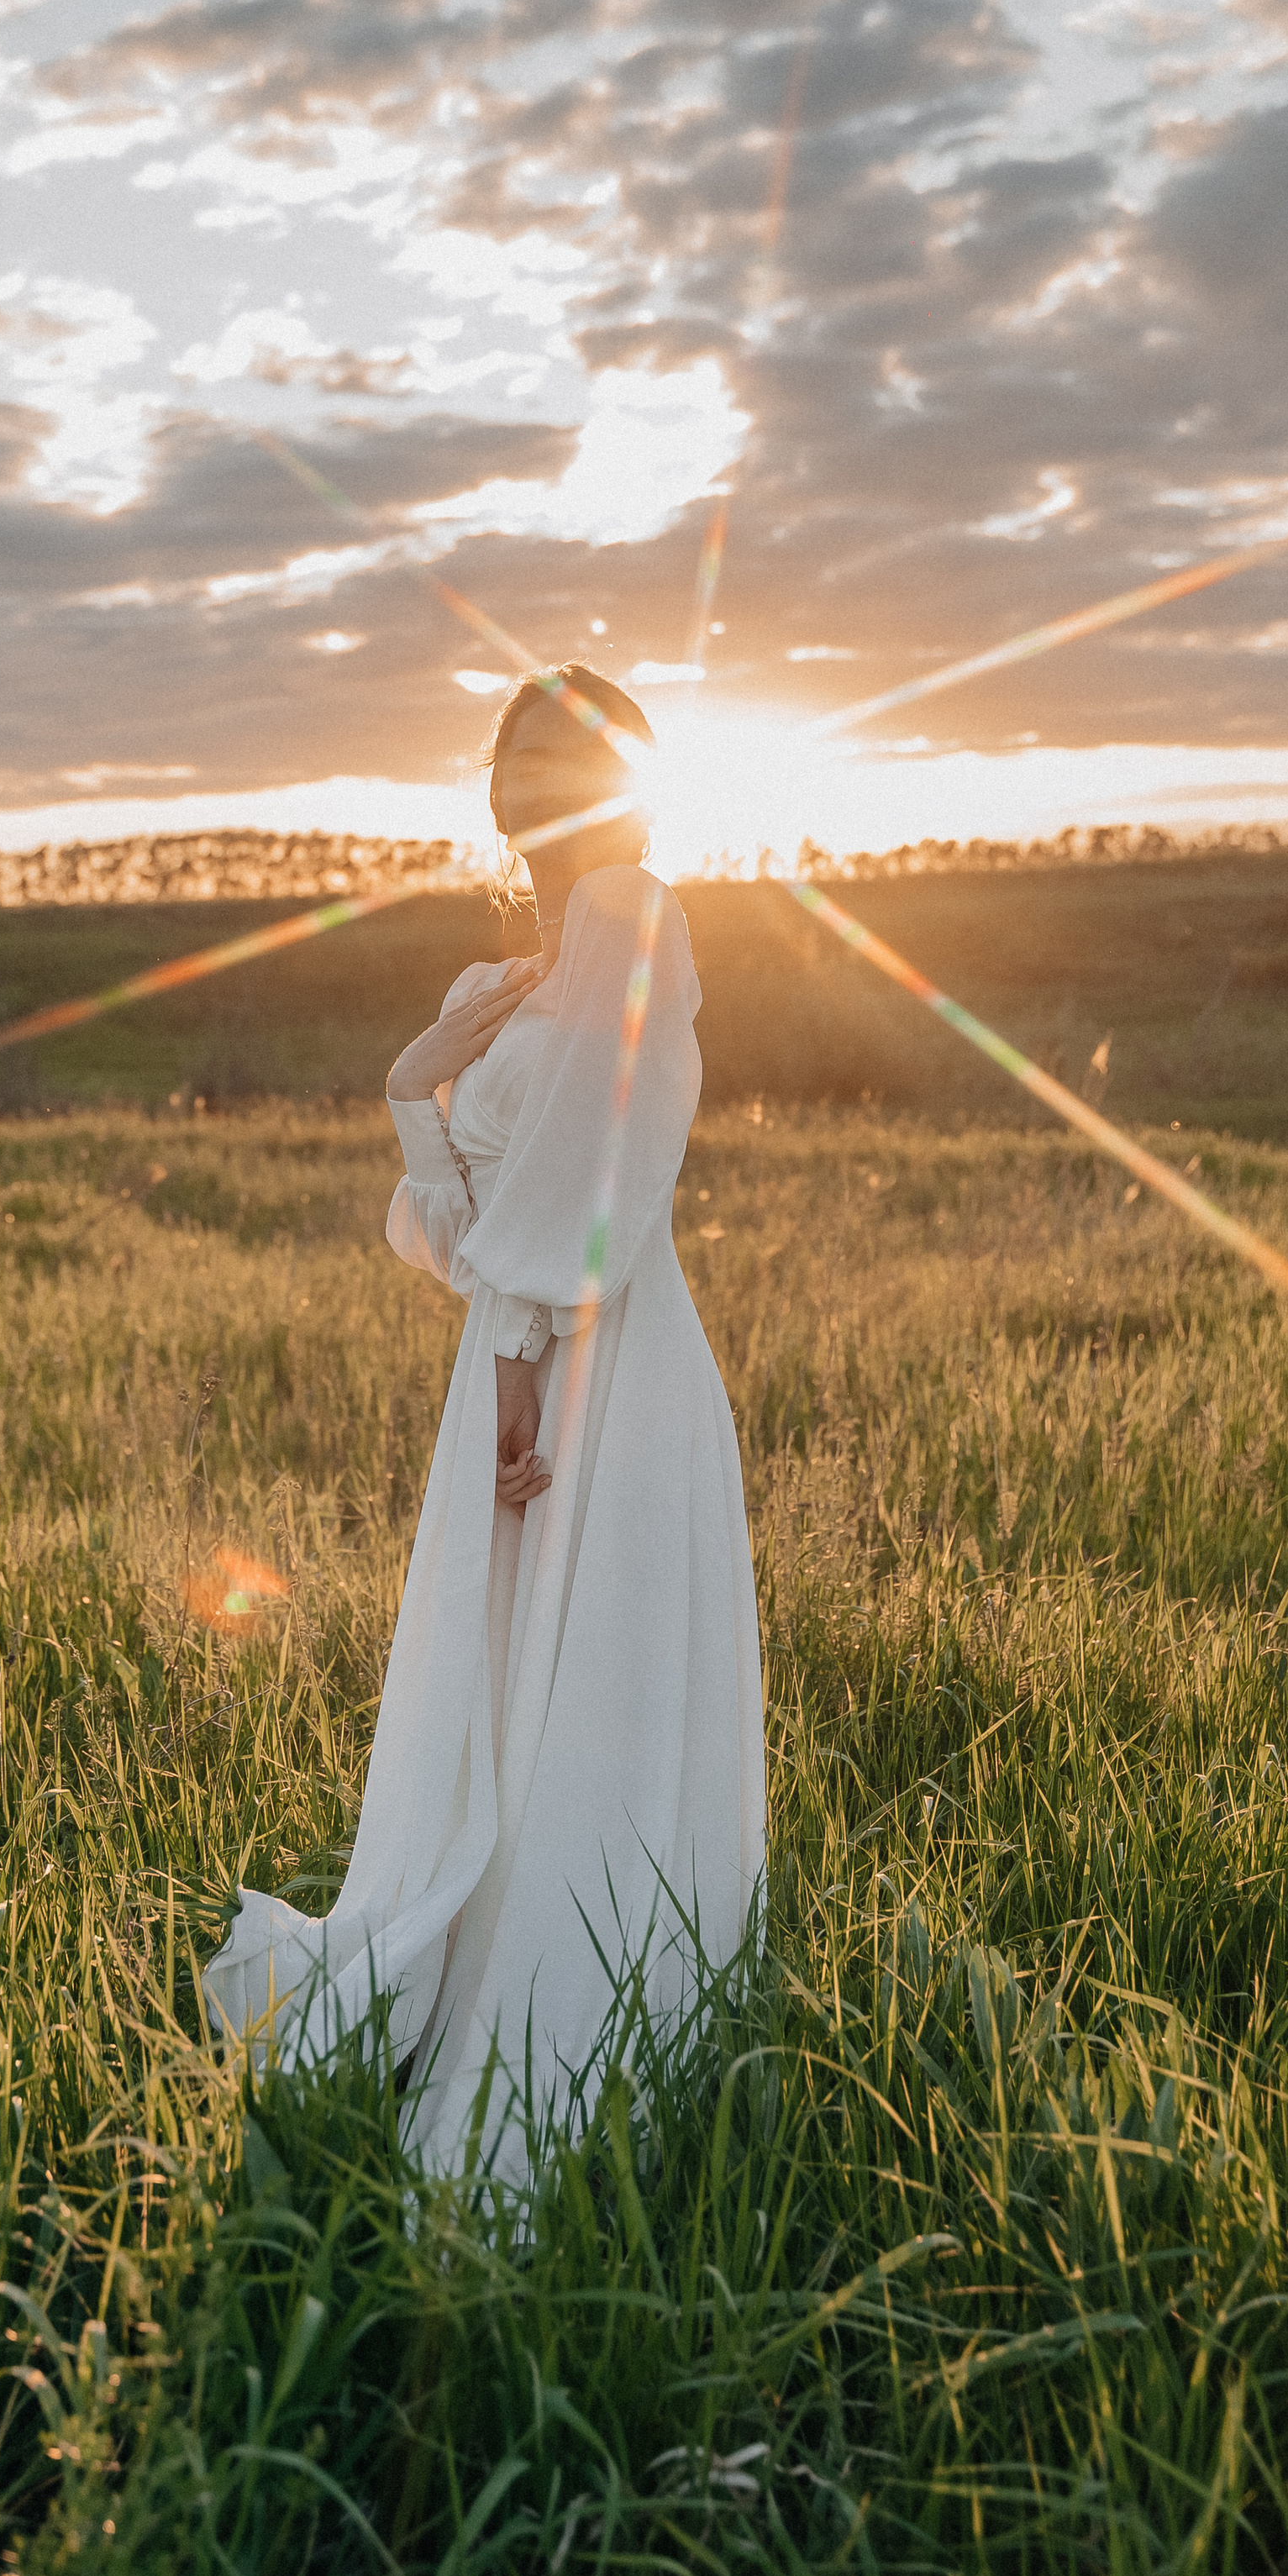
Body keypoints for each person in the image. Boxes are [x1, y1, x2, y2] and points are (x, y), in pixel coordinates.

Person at [202, 665, 765, 2179]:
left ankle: (588, 2028)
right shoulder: (496, 982)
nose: (538, 773)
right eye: (518, 750)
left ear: (627, 776)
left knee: (587, 1686)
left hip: (600, 1366)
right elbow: (438, 1224)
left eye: (571, 751)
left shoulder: (633, 916)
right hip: (511, 1360)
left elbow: (593, 1174)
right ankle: (474, 1977)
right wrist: (409, 1086)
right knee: (506, 1677)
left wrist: (520, 1356)